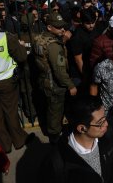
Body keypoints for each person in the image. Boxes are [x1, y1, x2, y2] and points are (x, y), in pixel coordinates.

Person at [40, 95, 113, 183]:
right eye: (100, 122)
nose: (106, 124)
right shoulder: (56, 162)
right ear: (82, 128)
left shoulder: (110, 134)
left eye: (105, 118)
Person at [0, 6, 31, 153]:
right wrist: (21, 46)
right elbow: (22, 57)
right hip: (6, 82)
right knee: (10, 112)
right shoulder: (5, 37)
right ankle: (18, 140)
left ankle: (4, 145)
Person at [33, 12, 77, 144]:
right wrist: (71, 85)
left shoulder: (39, 38)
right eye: (58, 27)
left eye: (63, 26)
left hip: (43, 80)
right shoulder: (54, 46)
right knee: (56, 111)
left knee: (50, 108)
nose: (63, 29)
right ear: (49, 28)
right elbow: (59, 71)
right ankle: (54, 136)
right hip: (55, 85)